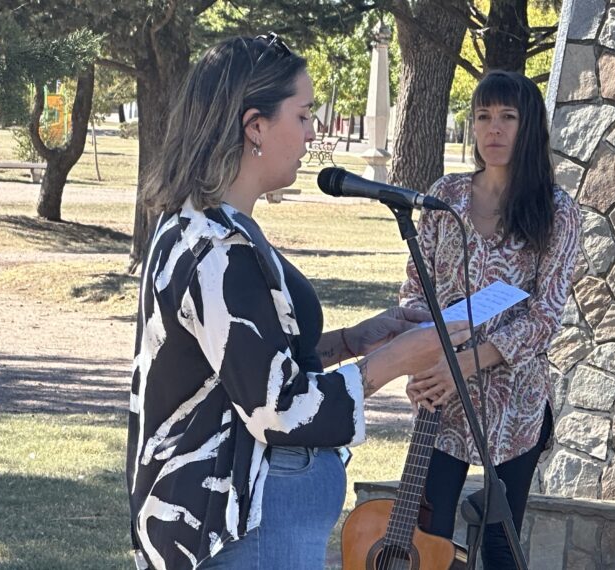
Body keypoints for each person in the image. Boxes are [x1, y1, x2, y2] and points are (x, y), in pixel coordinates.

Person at [127, 34, 469, 570]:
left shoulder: (205, 228)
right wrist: (398, 359)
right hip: (244, 530)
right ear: (255, 126)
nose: (313, 133)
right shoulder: (216, 249)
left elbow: (244, 365)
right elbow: (278, 409)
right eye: (304, 115)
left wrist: (354, 341)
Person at [399, 70, 582, 567]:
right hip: (440, 396)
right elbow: (416, 292)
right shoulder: (444, 197)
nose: (493, 129)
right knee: (425, 538)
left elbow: (545, 316)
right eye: (483, 116)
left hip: (514, 400)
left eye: (507, 116)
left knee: (501, 542)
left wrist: (465, 365)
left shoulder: (556, 210)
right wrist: (419, 364)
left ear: (529, 127)